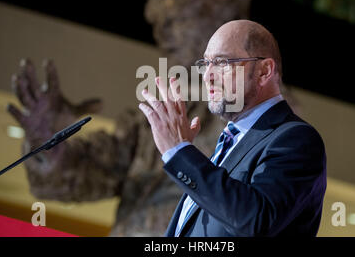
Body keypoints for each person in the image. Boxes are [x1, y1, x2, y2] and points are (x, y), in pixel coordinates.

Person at [6, 0, 252, 236]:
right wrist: (48, 141)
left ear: (222, 11)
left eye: (175, 18)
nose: (161, 32)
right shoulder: (156, 110)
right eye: (156, 19)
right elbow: (82, 178)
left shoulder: (262, 108)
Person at [138, 19, 327, 237]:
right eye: (205, 64)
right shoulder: (229, 143)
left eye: (221, 63)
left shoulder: (296, 139)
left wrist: (180, 153)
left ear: (264, 71)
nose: (208, 76)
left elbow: (256, 220)